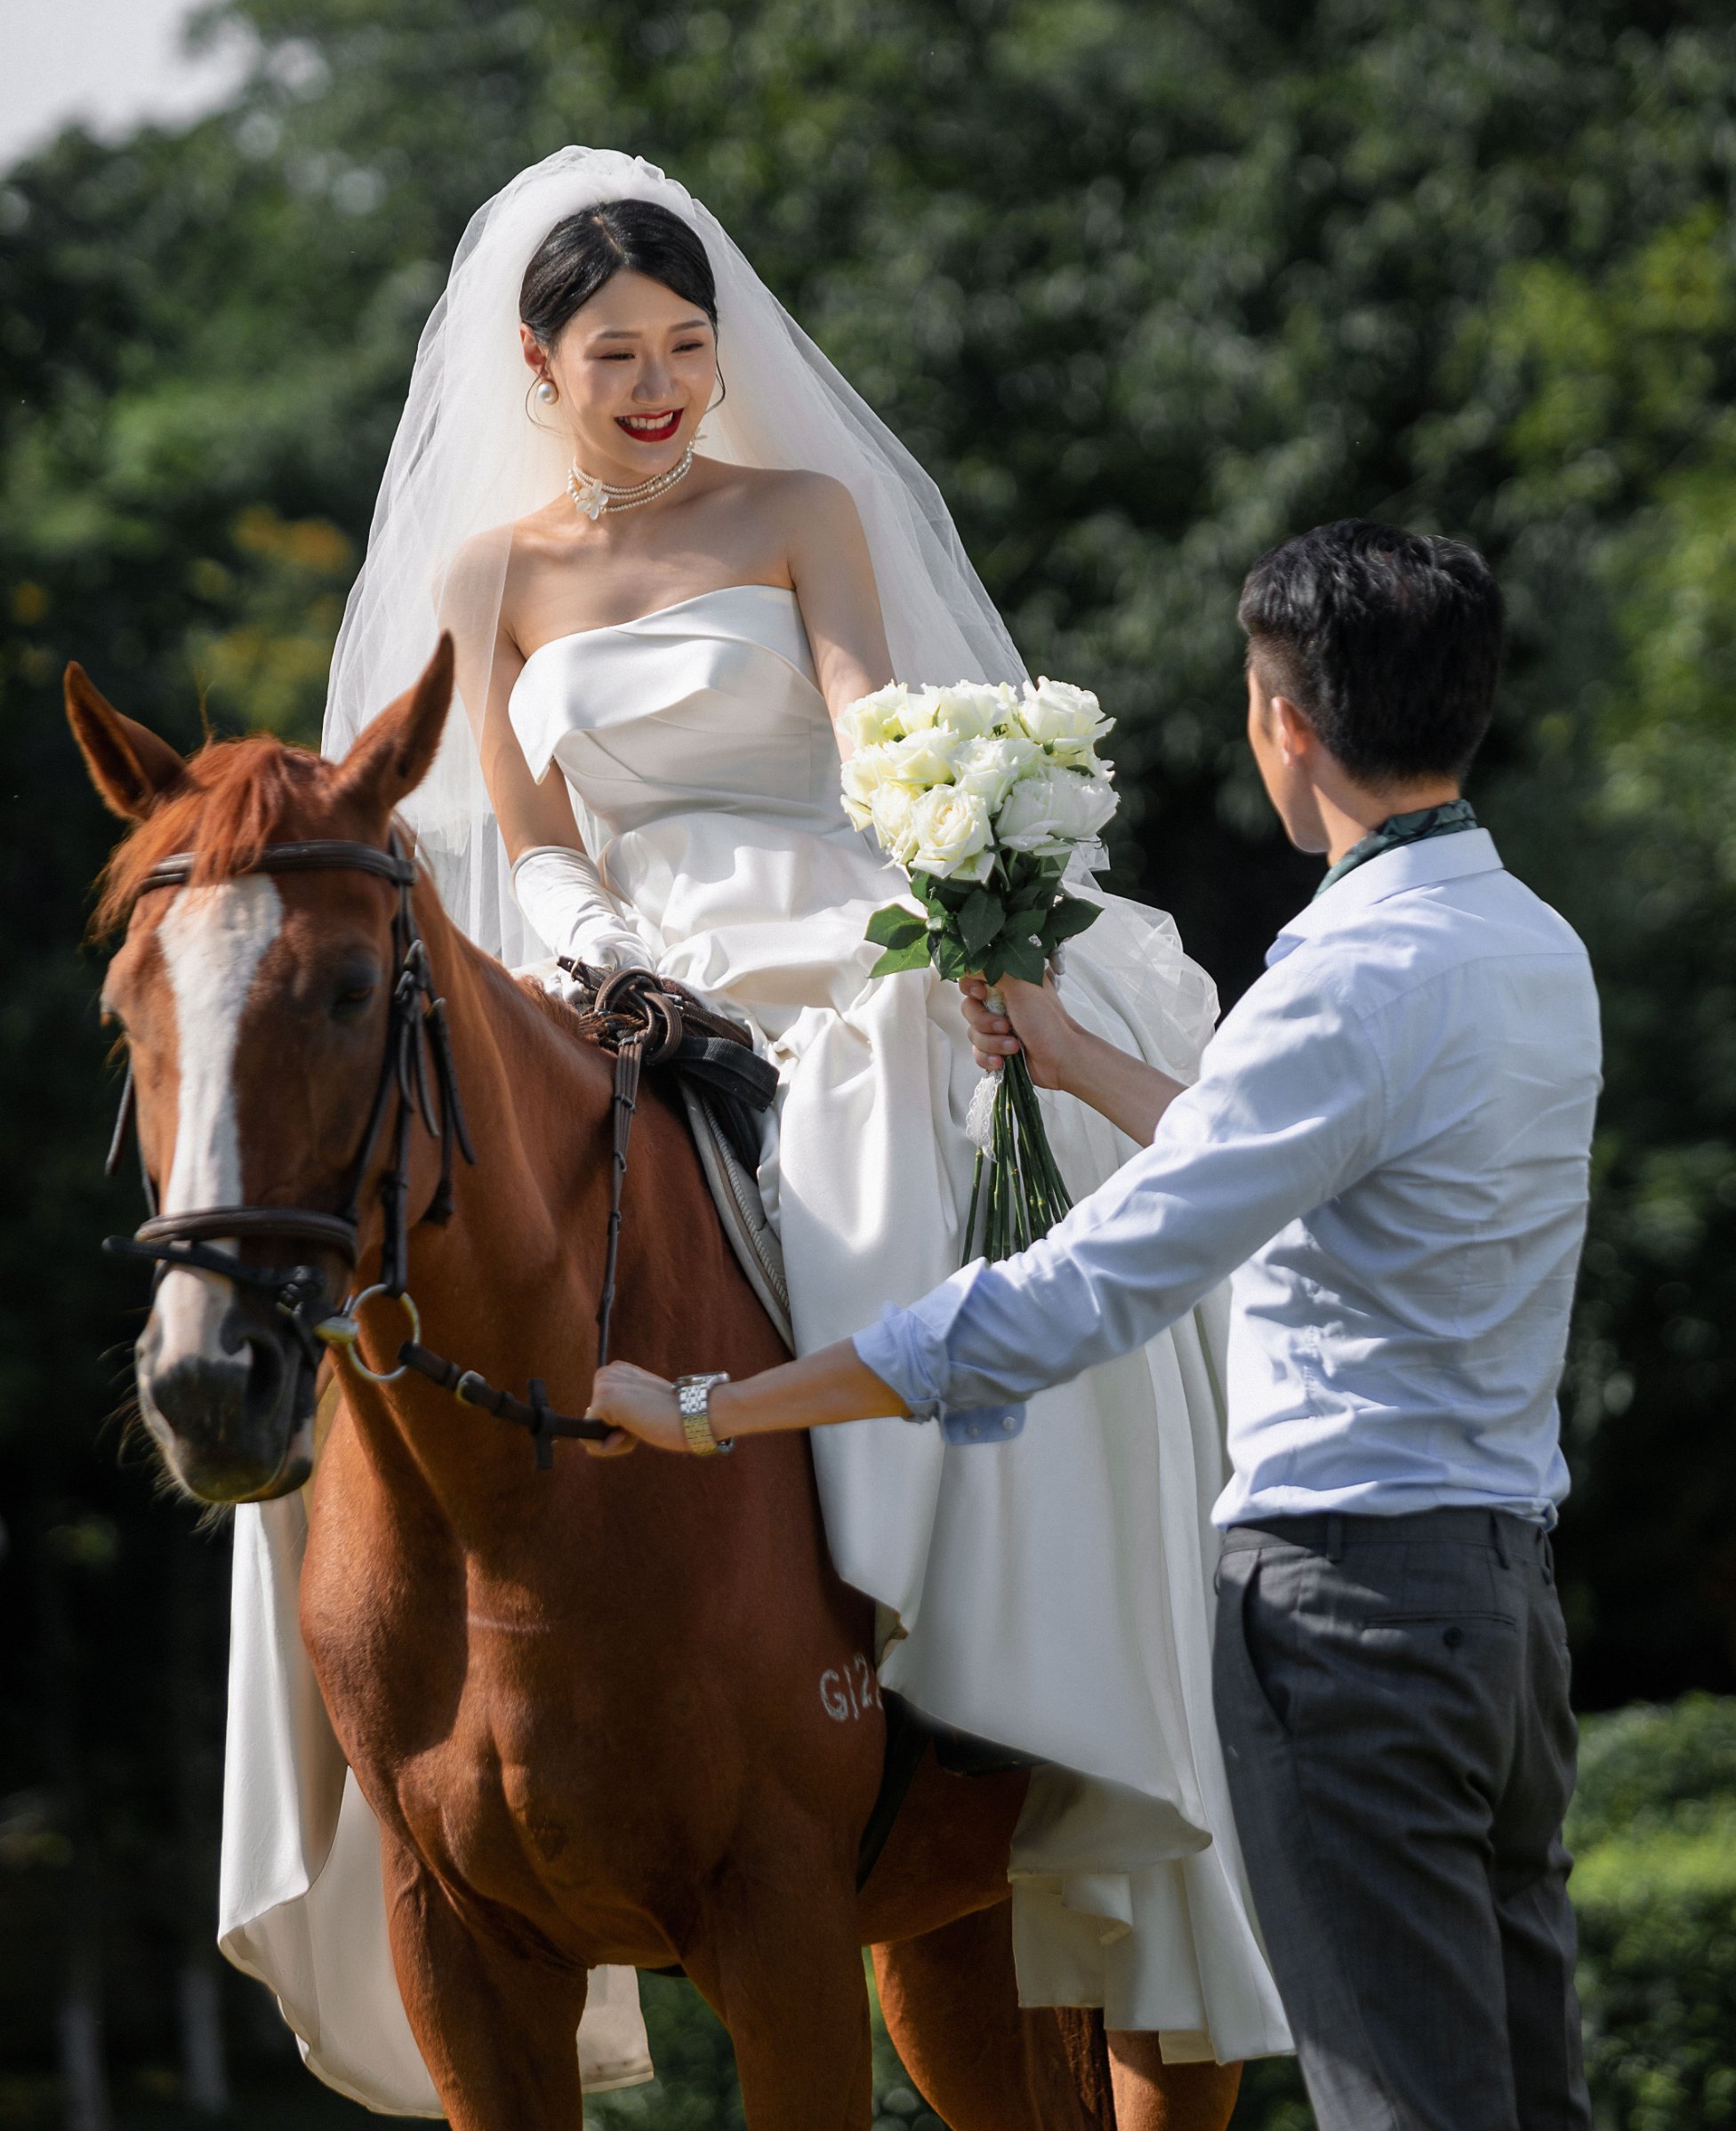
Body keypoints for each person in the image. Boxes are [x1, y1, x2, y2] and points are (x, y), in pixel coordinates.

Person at [229, 145, 1288, 2104]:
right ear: (534, 367)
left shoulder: (799, 506)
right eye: (615, 352)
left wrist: (955, 858)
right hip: (611, 973)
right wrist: (607, 956)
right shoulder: (492, 577)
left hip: (823, 924)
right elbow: (526, 836)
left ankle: (958, 1650)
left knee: (893, 1152)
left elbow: (871, 726)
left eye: (687, 345)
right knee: (399, 1244)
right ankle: (377, 1717)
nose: (658, 384)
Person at [597, 520, 1603, 2131]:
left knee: (1402, 2106)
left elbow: (1068, 1301)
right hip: (1503, 1607)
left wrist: (714, 1408)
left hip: (1341, 1613)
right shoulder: (1530, 948)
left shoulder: (1336, 983)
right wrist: (1076, 1063)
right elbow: (1304, 1145)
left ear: (1283, 722)